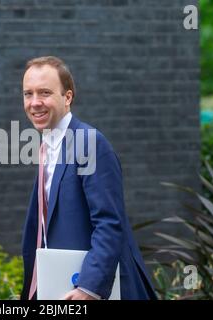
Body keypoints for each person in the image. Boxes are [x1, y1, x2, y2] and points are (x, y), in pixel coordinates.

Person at [20, 56, 157, 300]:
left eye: (45, 93)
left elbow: (109, 223)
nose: (34, 103)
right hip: (62, 287)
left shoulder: (89, 142)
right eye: (28, 94)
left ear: (68, 97)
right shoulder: (46, 147)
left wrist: (88, 288)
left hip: (99, 290)